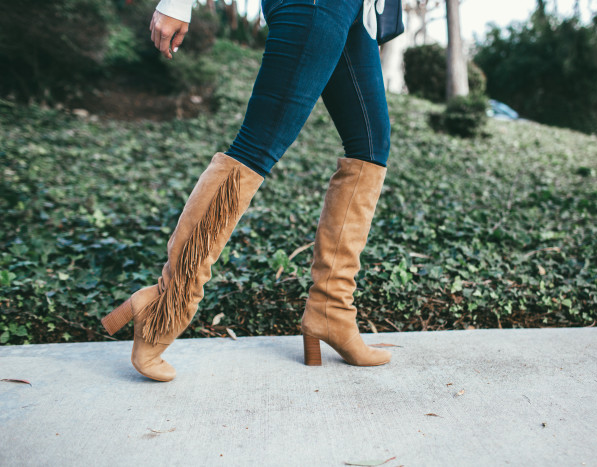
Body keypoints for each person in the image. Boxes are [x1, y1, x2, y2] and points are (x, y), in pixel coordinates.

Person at [101, 0, 393, 382]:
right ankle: (166, 306)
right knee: (258, 144)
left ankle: (331, 311)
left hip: (358, 9)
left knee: (370, 148)